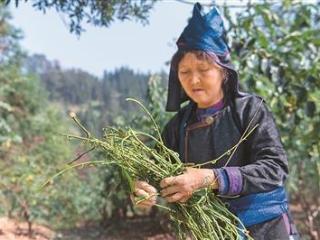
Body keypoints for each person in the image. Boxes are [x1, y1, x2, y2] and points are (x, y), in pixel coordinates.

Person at [133, 2, 299, 239]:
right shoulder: (177, 127)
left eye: (203, 69)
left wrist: (211, 178)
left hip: (265, 229)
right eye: (185, 72)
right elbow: (151, 170)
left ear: (223, 71)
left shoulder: (250, 109)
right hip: (211, 231)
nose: (194, 79)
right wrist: (143, 188)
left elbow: (275, 168)